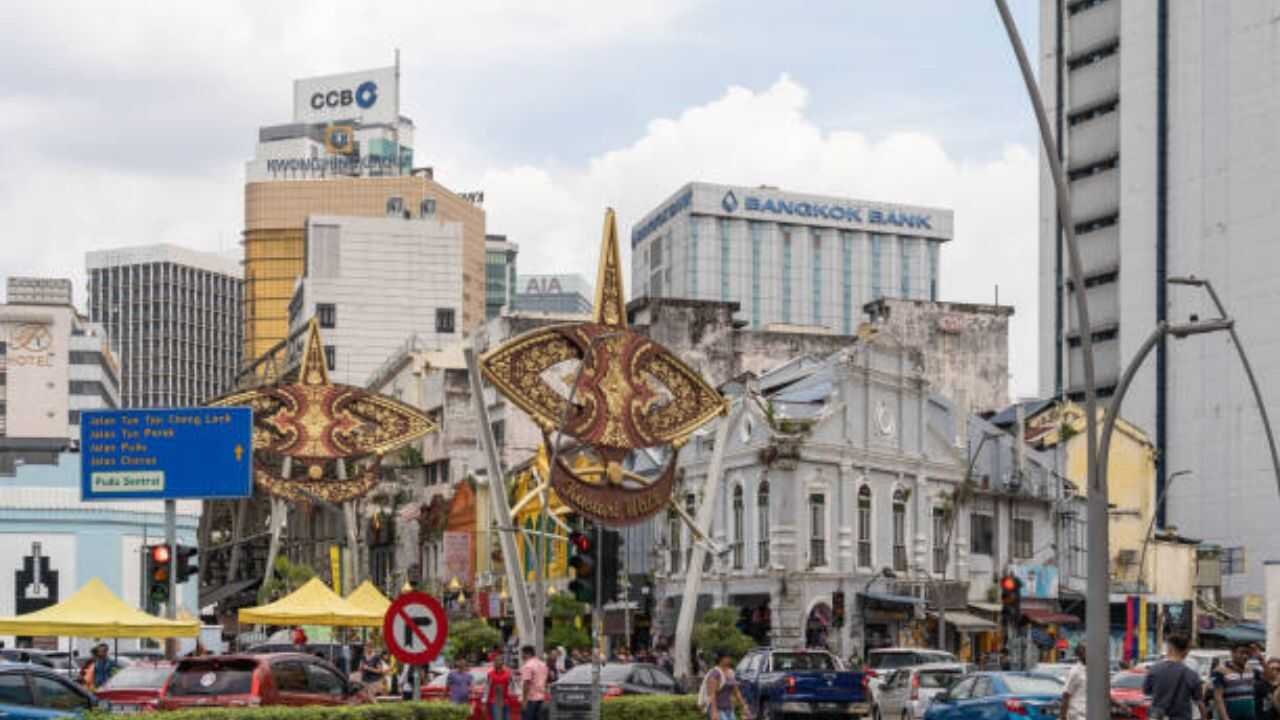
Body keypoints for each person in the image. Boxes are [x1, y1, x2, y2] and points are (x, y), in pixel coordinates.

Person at [1145, 633, 1206, 720]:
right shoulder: (1192, 674)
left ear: (1169, 648)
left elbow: (1147, 691)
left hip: (1157, 716)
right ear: (1185, 651)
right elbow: (1199, 700)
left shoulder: (1154, 669)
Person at [1215, 642, 1262, 720]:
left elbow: (1271, 679)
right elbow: (1218, 697)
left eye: (1247, 653)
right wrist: (1225, 718)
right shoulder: (1220, 671)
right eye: (1242, 652)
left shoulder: (1252, 670)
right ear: (1232, 653)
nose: (1245, 656)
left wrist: (1261, 659)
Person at [703, 653, 751, 720]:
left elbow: (736, 692)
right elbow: (711, 694)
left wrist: (744, 706)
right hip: (718, 709)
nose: (729, 659)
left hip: (729, 708)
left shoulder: (730, 672)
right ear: (721, 659)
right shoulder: (714, 674)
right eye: (727, 657)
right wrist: (714, 711)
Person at [519, 645, 549, 720]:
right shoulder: (543, 664)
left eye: (523, 654)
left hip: (530, 699)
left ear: (528, 654)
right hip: (541, 698)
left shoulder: (528, 666)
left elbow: (526, 684)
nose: (522, 656)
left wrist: (524, 701)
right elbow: (545, 681)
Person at [1060, 644, 1088, 720]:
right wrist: (1063, 717)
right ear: (1079, 655)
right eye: (1084, 652)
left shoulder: (1095, 670)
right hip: (1078, 715)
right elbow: (1066, 695)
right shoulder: (1075, 672)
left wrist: (1120, 706)